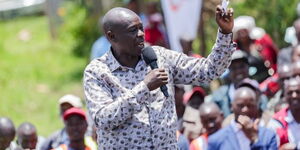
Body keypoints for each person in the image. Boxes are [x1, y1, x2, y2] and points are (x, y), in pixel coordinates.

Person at [83, 5, 235, 149]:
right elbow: (104, 120)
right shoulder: (98, 72)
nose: (141, 34)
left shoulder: (159, 56)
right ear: (112, 36)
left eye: (141, 28)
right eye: (132, 30)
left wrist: (225, 33)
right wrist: (144, 87)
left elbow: (208, 71)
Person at [207, 87, 277, 150]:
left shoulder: (268, 136)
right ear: (231, 106)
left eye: (250, 105)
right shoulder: (216, 140)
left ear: (256, 107)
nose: (245, 110)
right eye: (240, 105)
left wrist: (254, 139)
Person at [211, 50, 249, 117]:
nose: (238, 71)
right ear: (228, 71)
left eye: (241, 66)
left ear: (248, 68)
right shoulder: (219, 96)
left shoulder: (257, 92)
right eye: (234, 68)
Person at [267, 78, 300, 149]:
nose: (294, 95)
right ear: (285, 96)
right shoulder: (276, 122)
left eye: (298, 92)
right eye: (290, 93)